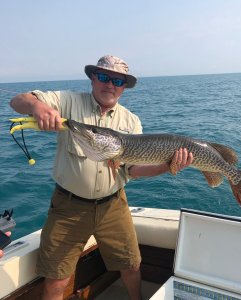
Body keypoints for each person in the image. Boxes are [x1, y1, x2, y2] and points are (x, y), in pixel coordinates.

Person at [10, 55, 193, 300]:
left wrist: (166, 166)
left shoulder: (130, 121)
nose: (110, 85)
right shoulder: (69, 101)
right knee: (57, 277)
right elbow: (18, 100)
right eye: (104, 77)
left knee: (130, 265)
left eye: (118, 81)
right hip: (68, 207)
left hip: (113, 205)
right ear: (93, 78)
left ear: (124, 87)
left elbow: (132, 170)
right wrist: (38, 107)